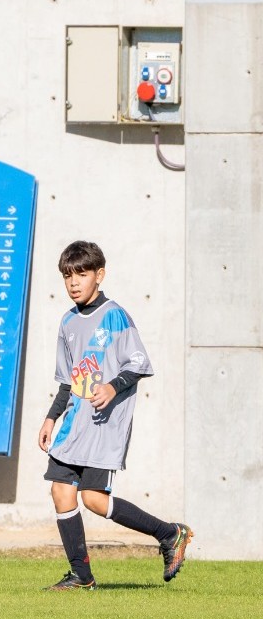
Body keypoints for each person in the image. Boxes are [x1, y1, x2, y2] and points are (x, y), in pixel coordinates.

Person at [39, 240, 192, 591]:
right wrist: (50, 418)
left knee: (93, 499)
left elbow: (139, 363)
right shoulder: (67, 323)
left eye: (81, 274)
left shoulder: (115, 316)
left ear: (99, 275)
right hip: (73, 425)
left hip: (104, 427)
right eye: (67, 276)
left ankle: (170, 534)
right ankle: (82, 576)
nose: (74, 282)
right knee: (61, 492)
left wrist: (112, 386)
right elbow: (67, 380)